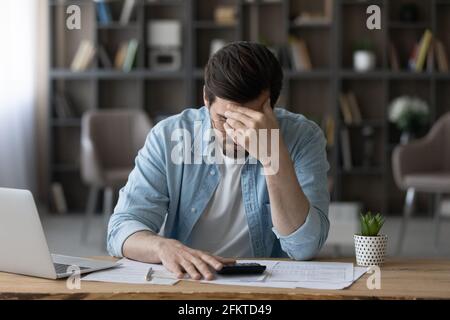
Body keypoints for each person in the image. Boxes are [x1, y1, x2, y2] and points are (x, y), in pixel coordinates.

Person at [107, 41, 330, 281]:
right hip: (189, 281)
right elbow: (122, 229)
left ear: (271, 107)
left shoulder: (303, 137)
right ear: (205, 98)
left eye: (247, 120)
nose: (234, 133)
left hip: (267, 285)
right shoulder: (169, 136)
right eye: (223, 118)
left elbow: (305, 248)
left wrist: (272, 156)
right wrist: (163, 248)